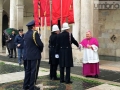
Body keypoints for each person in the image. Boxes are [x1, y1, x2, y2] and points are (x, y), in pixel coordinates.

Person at [23, 20, 44, 90]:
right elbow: (40, 44)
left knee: (28, 70)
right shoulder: (34, 33)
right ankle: (32, 87)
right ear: (33, 27)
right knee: (33, 71)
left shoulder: (26, 34)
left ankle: (25, 85)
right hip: (35, 55)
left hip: (28, 55)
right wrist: (41, 50)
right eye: (35, 26)